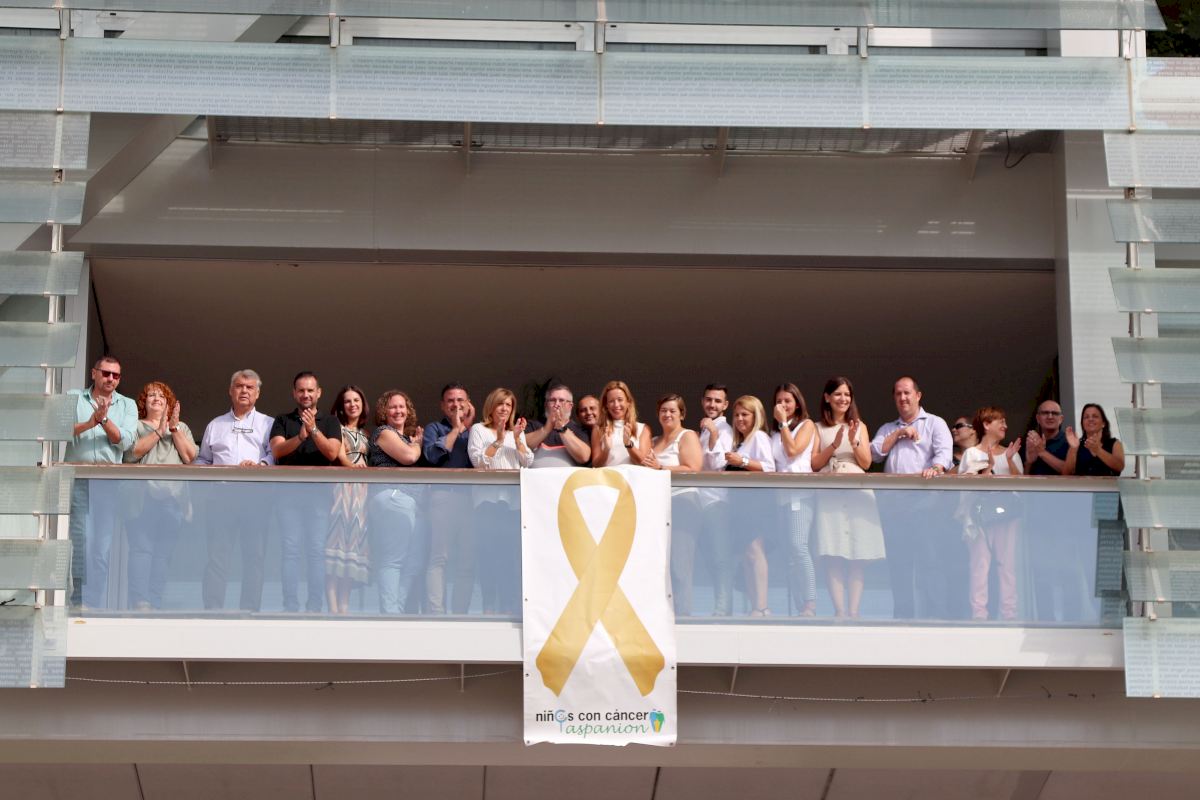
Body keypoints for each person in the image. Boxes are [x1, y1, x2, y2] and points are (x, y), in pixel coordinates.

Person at [870, 376, 952, 619]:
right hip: (894, 506)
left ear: (918, 395)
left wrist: (935, 468)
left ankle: (936, 619)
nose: (903, 398)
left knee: (930, 561)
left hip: (925, 502)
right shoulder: (888, 428)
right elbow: (874, 454)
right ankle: (902, 621)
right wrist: (899, 433)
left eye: (907, 392)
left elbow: (944, 455)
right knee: (899, 565)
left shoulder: (934, 423)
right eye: (898, 394)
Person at [195, 369, 274, 611]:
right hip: (222, 496)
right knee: (217, 556)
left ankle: (249, 611)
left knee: (254, 557)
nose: (244, 391)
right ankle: (212, 610)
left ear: (258, 393)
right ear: (231, 391)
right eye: (239, 386)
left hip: (255, 496)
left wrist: (261, 465)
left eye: (250, 387)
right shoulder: (215, 425)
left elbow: (275, 454)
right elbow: (203, 460)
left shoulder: (268, 423)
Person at [64, 355, 138, 609]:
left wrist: (104, 420)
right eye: (106, 373)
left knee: (101, 547)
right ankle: (78, 602)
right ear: (93, 373)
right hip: (79, 479)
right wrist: (90, 422)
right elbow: (60, 429)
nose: (111, 379)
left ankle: (93, 603)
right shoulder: (74, 396)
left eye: (116, 375)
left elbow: (125, 442)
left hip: (108, 482)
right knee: (81, 542)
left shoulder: (127, 404)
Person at [812, 377, 884, 619]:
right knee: (832, 552)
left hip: (856, 489)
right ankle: (840, 612)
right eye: (838, 394)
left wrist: (854, 441)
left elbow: (866, 463)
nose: (843, 399)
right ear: (827, 397)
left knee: (857, 553)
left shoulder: (860, 426)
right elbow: (814, 464)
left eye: (847, 395)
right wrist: (833, 445)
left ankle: (854, 612)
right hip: (829, 489)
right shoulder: (817, 427)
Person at [270, 371, 342, 613]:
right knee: (290, 550)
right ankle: (290, 606)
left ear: (319, 393)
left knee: (316, 551)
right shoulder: (282, 420)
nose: (306, 394)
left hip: (319, 496)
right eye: (301, 390)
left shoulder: (330, 421)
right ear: (294, 393)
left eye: (310, 390)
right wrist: (300, 436)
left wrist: (313, 431)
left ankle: (314, 607)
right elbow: (277, 451)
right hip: (288, 495)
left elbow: (332, 452)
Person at [122, 381, 197, 610]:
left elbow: (190, 457)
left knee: (163, 555)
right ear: (143, 402)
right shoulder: (136, 426)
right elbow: (130, 454)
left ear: (169, 404)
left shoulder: (181, 427)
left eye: (162, 396)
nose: (156, 399)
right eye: (151, 395)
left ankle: (155, 602)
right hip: (143, 498)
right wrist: (158, 431)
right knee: (142, 550)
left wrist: (173, 429)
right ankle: (139, 601)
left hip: (173, 500)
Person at [467, 387, 533, 615]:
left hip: (512, 503)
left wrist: (517, 439)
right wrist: (498, 441)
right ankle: (489, 607)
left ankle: (508, 607)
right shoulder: (479, 429)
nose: (504, 408)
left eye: (508, 405)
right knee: (488, 555)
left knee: (510, 557)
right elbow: (478, 462)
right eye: (500, 404)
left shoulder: (517, 433)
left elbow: (528, 461)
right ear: (491, 407)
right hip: (487, 502)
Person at [956, 406, 1024, 621]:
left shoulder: (1011, 452)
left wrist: (1010, 460)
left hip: (1007, 516)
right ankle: (979, 616)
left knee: (1007, 566)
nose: (1005, 425)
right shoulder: (971, 453)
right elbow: (966, 486)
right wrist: (988, 468)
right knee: (979, 566)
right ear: (986, 425)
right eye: (1000, 421)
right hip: (979, 517)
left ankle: (1009, 615)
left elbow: (1021, 487)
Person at [643, 394, 703, 616]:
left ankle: (683, 617)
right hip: (658, 506)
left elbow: (693, 467)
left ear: (682, 414)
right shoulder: (653, 441)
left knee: (680, 564)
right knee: (659, 565)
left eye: (672, 411)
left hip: (683, 503)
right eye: (663, 410)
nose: (667, 414)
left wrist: (661, 469)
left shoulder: (687, 436)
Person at [422, 383, 476, 615]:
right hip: (442, 497)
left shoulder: (477, 432)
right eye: (451, 401)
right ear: (443, 406)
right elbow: (432, 456)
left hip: (469, 501)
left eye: (460, 400)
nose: (456, 405)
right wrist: (456, 429)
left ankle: (460, 615)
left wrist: (468, 426)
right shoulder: (434, 428)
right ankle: (437, 613)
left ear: (468, 404)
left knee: (467, 562)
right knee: (439, 558)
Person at [367, 390, 423, 614]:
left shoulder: (406, 439)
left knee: (414, 560)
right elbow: (409, 457)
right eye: (392, 406)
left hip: (409, 503)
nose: (398, 411)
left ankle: (395, 609)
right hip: (392, 497)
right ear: (384, 411)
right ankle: (391, 614)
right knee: (393, 559)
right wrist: (417, 445)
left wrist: (413, 443)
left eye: (402, 406)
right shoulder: (383, 432)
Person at [724, 395, 776, 616]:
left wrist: (742, 461)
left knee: (755, 551)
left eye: (745, 414)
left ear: (756, 416)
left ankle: (762, 606)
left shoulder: (759, 437)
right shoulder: (741, 442)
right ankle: (756, 605)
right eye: (736, 415)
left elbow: (769, 467)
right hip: (740, 504)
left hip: (755, 502)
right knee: (747, 554)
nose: (739, 419)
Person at [770, 383, 818, 617]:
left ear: (797, 403)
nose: (783, 405)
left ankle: (810, 602)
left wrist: (783, 423)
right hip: (780, 498)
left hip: (800, 495)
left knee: (799, 546)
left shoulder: (806, 425)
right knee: (788, 552)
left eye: (787, 401)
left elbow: (793, 451)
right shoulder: (775, 433)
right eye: (779, 401)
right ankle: (798, 605)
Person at [325, 385, 370, 615]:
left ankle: (344, 606)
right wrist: (354, 468)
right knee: (337, 542)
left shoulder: (366, 434)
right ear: (341, 406)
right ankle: (333, 608)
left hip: (361, 494)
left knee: (353, 547)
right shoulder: (337, 428)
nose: (352, 404)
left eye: (356, 400)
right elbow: (340, 455)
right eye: (348, 401)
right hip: (343, 489)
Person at [696, 383, 736, 616]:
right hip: (702, 499)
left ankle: (724, 609)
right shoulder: (703, 429)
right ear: (703, 401)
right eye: (709, 399)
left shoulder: (725, 430)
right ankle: (719, 605)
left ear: (725, 405)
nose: (712, 404)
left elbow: (717, 463)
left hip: (717, 500)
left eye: (718, 401)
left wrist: (713, 434)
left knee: (720, 556)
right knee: (709, 557)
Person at [525, 383, 591, 468]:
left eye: (561, 400)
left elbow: (584, 457)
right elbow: (521, 446)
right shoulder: (533, 425)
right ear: (546, 405)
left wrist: (562, 428)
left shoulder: (580, 430)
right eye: (552, 400)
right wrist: (546, 429)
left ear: (570, 406)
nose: (557, 404)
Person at [591, 380, 651, 467]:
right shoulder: (598, 429)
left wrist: (628, 444)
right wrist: (606, 449)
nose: (616, 405)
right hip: (609, 475)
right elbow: (596, 465)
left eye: (620, 400)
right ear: (606, 405)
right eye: (611, 401)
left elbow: (644, 463)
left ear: (628, 402)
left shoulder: (643, 428)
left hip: (633, 475)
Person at [1067, 403, 1125, 477]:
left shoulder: (1115, 443)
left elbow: (1120, 467)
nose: (1090, 419)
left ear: (1103, 423)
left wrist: (1098, 450)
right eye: (1086, 417)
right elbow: (1066, 474)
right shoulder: (1076, 444)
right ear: (1083, 424)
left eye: (1095, 416)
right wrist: (1073, 449)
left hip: (1108, 485)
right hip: (1082, 485)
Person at [1023, 400, 1073, 476]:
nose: (1050, 417)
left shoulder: (1070, 442)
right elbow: (1023, 478)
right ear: (1038, 418)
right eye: (1045, 413)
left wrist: (1042, 452)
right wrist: (1029, 463)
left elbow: (1071, 472)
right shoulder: (1030, 442)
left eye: (1055, 413)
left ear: (1061, 419)